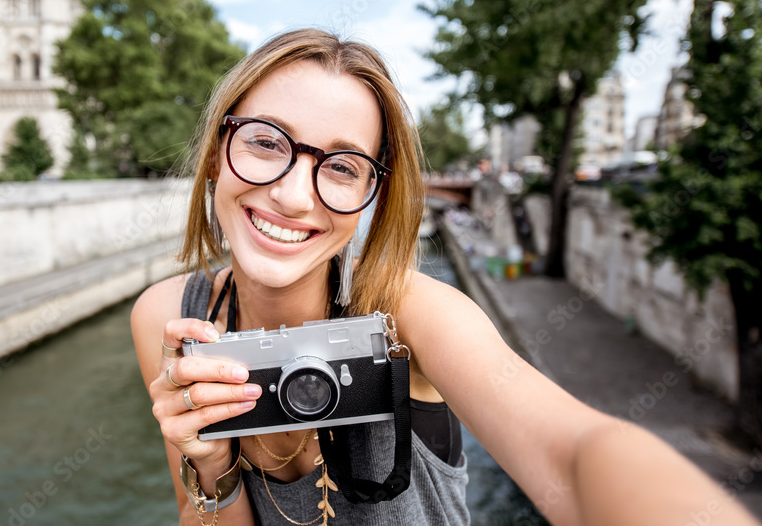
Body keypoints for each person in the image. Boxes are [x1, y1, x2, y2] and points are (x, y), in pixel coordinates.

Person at [131, 29, 759, 525]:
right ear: (218, 149)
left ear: (376, 190)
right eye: (267, 143)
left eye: (343, 167)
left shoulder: (409, 314)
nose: (295, 195)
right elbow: (201, 515)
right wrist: (212, 464)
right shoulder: (169, 318)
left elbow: (573, 453)